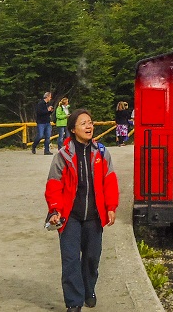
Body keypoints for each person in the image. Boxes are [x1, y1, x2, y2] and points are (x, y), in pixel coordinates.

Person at [45, 109, 119, 312]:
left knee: (91, 258)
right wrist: (54, 210)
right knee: (70, 260)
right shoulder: (63, 155)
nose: (89, 126)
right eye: (83, 123)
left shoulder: (102, 152)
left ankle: (89, 290)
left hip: (94, 217)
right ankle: (74, 302)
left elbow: (110, 182)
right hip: (70, 216)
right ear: (72, 129)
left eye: (90, 122)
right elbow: (54, 185)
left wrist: (111, 207)